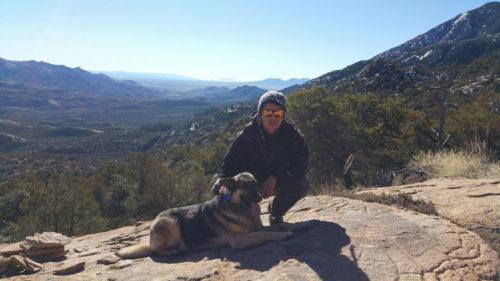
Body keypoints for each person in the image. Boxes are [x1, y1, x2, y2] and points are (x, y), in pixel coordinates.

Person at [212, 91, 309, 225]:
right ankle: (243, 216)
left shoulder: (292, 136)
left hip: (278, 179)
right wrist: (223, 182)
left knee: (301, 184)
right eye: (267, 113)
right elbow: (229, 165)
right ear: (259, 113)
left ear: (284, 115)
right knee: (219, 189)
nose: (272, 118)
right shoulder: (247, 136)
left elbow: (301, 164)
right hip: (250, 183)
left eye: (278, 113)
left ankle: (276, 213)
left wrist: (275, 177)